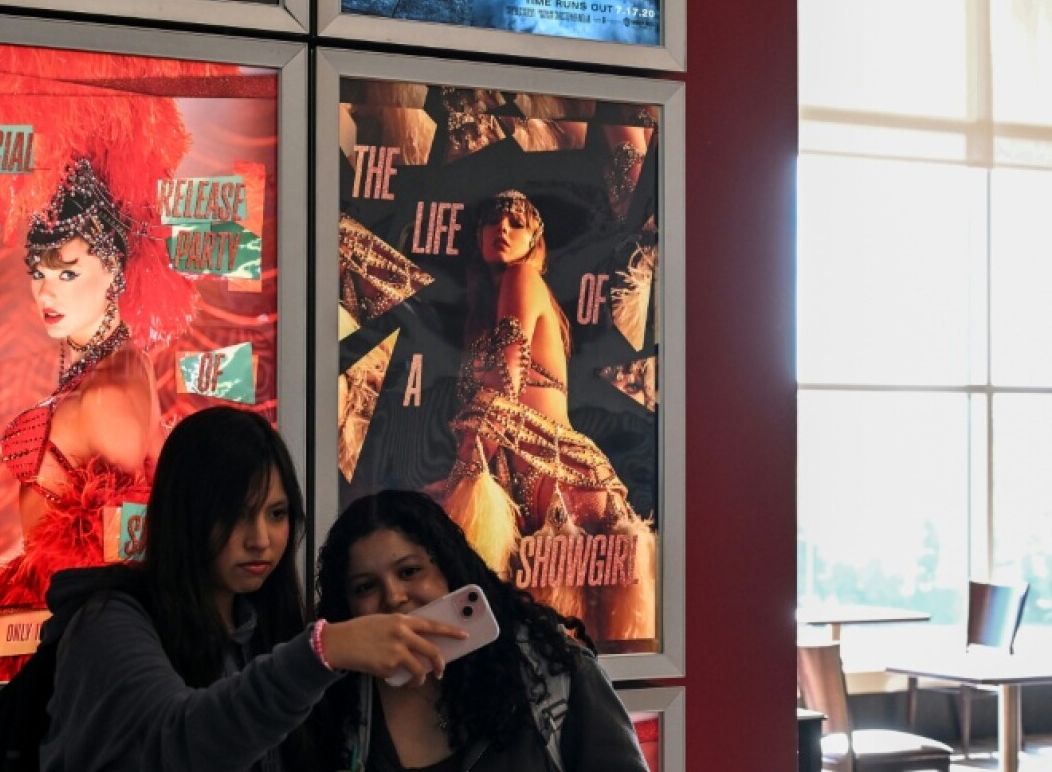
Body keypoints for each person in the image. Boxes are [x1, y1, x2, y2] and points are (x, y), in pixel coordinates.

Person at [41, 408, 466, 771]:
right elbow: (179, 744)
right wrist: (321, 652)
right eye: (235, 514)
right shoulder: (108, 622)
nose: (260, 538)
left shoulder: (265, 623)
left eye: (277, 513)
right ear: (185, 515)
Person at [0, 157, 194, 683]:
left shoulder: (111, 390)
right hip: (49, 623)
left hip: (74, 643)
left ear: (114, 270)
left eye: (67, 272)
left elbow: (131, 555)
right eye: (39, 273)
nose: (47, 293)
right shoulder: (106, 366)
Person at [441, 189, 656, 643]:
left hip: (553, 473)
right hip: (543, 472)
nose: (502, 228)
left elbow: (505, 378)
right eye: (492, 220)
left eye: (516, 223)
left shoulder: (520, 277)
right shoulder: (492, 303)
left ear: (534, 239)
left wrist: (462, 470)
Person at [315, 489, 650, 772]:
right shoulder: (339, 696)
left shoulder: (549, 669)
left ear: (449, 571)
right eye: (365, 587)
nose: (393, 597)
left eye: (410, 571)